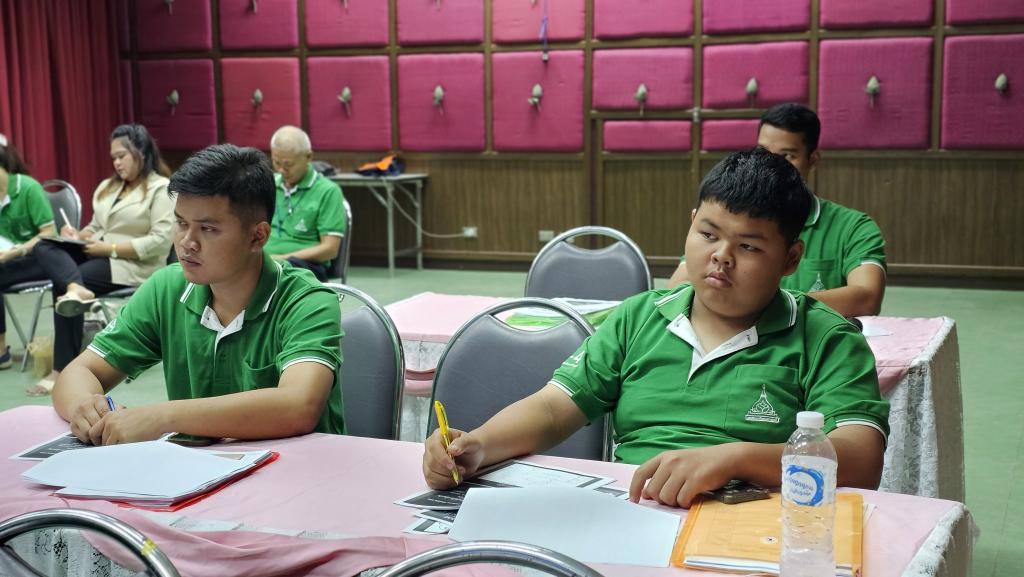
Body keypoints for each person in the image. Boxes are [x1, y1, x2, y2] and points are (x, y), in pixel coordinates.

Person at [422, 148, 889, 508]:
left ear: (790, 259)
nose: (721, 256)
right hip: (635, 511)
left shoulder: (826, 338)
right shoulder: (639, 317)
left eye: (748, 246)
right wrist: (479, 445)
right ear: (691, 225)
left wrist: (736, 457)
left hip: (751, 525)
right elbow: (553, 408)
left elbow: (861, 458)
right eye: (708, 234)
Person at [52, 144, 345, 445]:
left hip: (298, 469)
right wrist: (85, 408)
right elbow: (79, 372)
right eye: (181, 223)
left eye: (207, 229)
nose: (186, 242)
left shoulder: (307, 302)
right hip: (200, 469)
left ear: (257, 236)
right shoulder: (167, 289)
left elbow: (298, 406)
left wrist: (163, 418)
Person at [667, 103, 887, 318]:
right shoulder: (728, 218)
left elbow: (867, 297)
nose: (770, 164)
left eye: (786, 156)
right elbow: (676, 290)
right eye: (763, 152)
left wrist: (771, 309)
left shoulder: (853, 227)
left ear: (812, 159)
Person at [28, 124, 174, 395]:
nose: (116, 163)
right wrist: (77, 234)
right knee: (44, 245)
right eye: (113, 157)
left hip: (133, 264)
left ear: (141, 153)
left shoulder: (161, 188)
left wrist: (111, 249)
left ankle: (62, 368)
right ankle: (75, 288)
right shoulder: (108, 187)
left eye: (122, 156)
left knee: (65, 280)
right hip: (96, 253)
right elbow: (96, 227)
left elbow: (160, 241)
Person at [0, 136, 55, 369]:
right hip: (7, 261)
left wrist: (18, 251)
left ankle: (0, 351)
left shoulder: (28, 187)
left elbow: (49, 233)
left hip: (38, 257)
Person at [266, 126, 346, 282]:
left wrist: (281, 259)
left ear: (309, 157)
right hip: (263, 262)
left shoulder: (328, 191)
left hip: (304, 267)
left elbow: (330, 249)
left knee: (273, 273)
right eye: (276, 162)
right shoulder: (268, 185)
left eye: (288, 165)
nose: (281, 170)